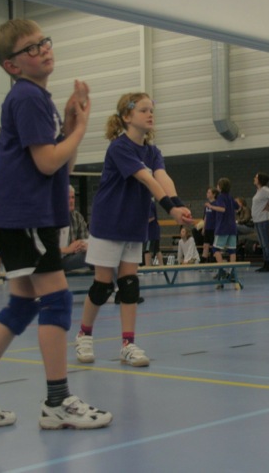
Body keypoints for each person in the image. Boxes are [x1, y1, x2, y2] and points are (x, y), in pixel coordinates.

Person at [0, 19, 111, 429]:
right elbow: (48, 162)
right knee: (57, 301)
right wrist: (82, 129)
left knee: (21, 305)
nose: (44, 49)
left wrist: (69, 126)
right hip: (26, 218)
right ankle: (57, 401)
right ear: (12, 65)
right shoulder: (27, 97)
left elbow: (62, 165)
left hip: (25, 217)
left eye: (44, 42)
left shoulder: (37, 98)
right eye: (31, 48)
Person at [75, 92, 192, 367]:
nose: (150, 114)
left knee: (129, 284)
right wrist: (170, 209)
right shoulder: (119, 147)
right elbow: (147, 179)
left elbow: (162, 177)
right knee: (103, 286)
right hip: (109, 223)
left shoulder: (152, 151)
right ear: (127, 116)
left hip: (133, 223)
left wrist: (180, 206)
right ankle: (84, 335)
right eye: (143, 110)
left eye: (152, 110)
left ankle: (128, 344)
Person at [251, 172, 269, 272]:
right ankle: (265, 263)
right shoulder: (259, 190)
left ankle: (268, 264)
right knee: (262, 243)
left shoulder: (264, 190)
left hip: (263, 219)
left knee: (266, 243)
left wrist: (268, 205)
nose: (254, 178)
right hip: (257, 220)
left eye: (256, 177)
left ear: (260, 180)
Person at [58, 185, 90, 272]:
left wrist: (83, 245)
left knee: (96, 253)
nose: (71, 201)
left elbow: (86, 240)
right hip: (58, 259)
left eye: (73, 197)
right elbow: (48, 251)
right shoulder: (53, 219)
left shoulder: (77, 216)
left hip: (73, 255)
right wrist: (68, 249)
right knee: (91, 257)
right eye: (68, 198)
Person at [210, 177, 239, 269]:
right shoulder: (230, 197)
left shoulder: (220, 197)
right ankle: (232, 271)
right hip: (232, 227)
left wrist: (211, 206)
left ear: (220, 187)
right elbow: (238, 207)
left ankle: (221, 269)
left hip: (223, 227)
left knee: (215, 248)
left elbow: (222, 209)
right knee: (232, 250)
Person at [143, 200, 164, 267]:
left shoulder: (148, 203)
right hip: (154, 231)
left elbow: (151, 217)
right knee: (157, 250)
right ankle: (162, 267)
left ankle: (148, 268)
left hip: (150, 232)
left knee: (147, 250)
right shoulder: (150, 203)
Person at [201, 187, 218, 263]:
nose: (207, 194)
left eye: (209, 192)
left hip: (214, 228)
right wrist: (203, 228)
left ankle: (214, 260)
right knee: (205, 245)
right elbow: (206, 217)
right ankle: (203, 260)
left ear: (214, 194)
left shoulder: (216, 204)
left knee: (214, 246)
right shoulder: (207, 205)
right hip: (207, 228)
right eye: (207, 192)